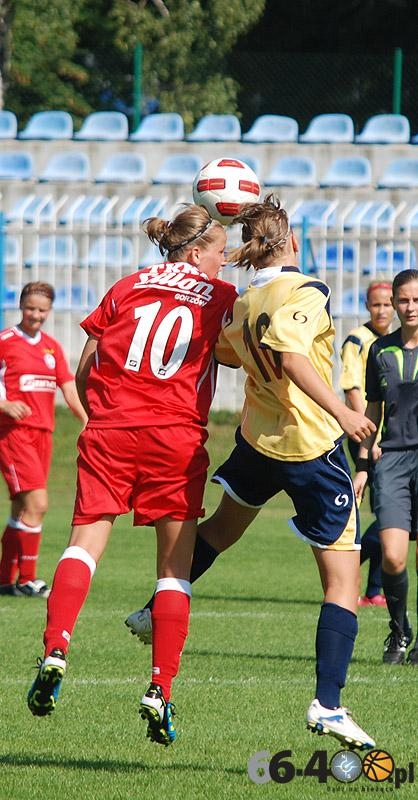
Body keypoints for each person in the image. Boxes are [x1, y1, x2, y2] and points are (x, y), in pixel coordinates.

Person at [126, 194, 377, 750]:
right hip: (311, 448)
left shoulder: (243, 301)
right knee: (343, 582)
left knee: (220, 530)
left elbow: (230, 354)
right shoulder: (307, 290)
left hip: (258, 442)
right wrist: (345, 412)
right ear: (291, 242)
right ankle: (328, 704)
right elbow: (290, 355)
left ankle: (153, 609)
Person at [26, 204, 237, 747]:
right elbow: (239, 354)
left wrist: (105, 412)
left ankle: (56, 647)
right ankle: (160, 688)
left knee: (83, 545)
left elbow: (87, 362)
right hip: (175, 436)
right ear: (195, 253)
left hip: (111, 429)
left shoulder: (127, 284)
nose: (224, 263)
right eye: (219, 253)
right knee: (173, 569)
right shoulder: (219, 297)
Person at [0, 282, 87, 598]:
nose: (35, 315)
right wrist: (4, 404)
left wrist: (87, 420)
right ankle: (28, 578)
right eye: (30, 308)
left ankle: (4, 578)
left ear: (49, 312)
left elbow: (67, 386)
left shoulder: (51, 346)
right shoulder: (5, 341)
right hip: (13, 434)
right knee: (38, 503)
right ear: (21, 306)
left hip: (43, 434)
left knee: (20, 507)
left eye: (41, 310)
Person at [354, 268, 418, 666]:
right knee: (393, 556)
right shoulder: (380, 350)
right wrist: (362, 467)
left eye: (417, 300)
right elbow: (371, 415)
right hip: (392, 461)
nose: (411, 307)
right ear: (393, 304)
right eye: (404, 300)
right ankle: (399, 629)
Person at [339, 280, 394, 606]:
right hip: (368, 437)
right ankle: (345, 571)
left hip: (393, 437)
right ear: (367, 306)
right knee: (386, 514)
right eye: (377, 305)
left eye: (388, 304)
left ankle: (374, 591)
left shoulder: (393, 341)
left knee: (385, 513)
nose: (383, 310)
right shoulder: (358, 341)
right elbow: (353, 391)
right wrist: (370, 437)